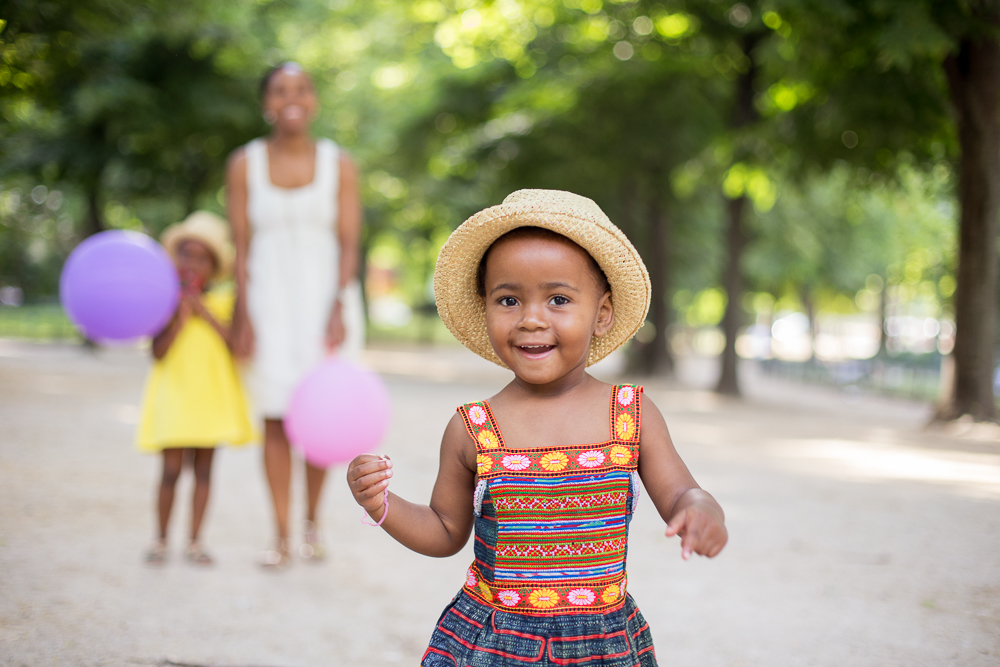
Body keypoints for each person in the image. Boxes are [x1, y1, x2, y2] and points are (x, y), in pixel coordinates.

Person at [348, 190, 728, 666]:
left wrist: (702, 508)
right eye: (509, 299)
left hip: (600, 645)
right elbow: (445, 531)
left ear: (602, 314)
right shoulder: (473, 428)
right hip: (493, 643)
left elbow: (680, 494)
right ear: (485, 308)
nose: (531, 319)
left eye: (558, 299)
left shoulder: (630, 414)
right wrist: (381, 503)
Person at [226, 62, 365, 569]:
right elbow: (240, 246)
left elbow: (350, 242)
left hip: (323, 302)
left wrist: (339, 305)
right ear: (267, 102)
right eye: (281, 90)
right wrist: (242, 313)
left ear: (314, 101)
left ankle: (312, 523)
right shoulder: (244, 163)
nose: (292, 98)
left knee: (320, 416)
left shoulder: (338, 163)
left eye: (302, 89)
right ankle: (280, 534)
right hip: (267, 303)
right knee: (275, 418)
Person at [137, 211, 255, 566]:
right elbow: (156, 353)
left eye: (201, 258)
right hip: (175, 396)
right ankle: (160, 539)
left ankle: (195, 541)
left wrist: (203, 312)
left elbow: (237, 348)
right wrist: (179, 318)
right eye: (186, 254)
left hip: (211, 400)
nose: (192, 263)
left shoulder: (225, 303)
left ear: (212, 266)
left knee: (204, 472)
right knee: (171, 471)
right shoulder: (164, 302)